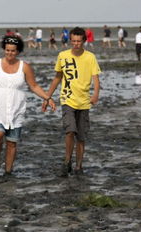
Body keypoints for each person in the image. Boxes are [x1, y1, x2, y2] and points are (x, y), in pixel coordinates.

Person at [0, 36, 56, 179]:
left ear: (18, 51)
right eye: (7, 50)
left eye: (12, 51)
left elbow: (34, 86)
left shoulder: (24, 67)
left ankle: (8, 172)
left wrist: (47, 98)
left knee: (12, 143)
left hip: (16, 109)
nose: (9, 53)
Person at [43, 27, 101, 176]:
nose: (76, 44)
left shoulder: (90, 57)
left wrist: (95, 94)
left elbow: (96, 78)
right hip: (67, 99)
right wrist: (47, 96)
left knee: (81, 137)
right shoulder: (63, 55)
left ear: (84, 41)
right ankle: (67, 162)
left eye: (79, 41)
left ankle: (78, 166)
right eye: (73, 41)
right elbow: (57, 77)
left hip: (84, 101)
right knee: (70, 131)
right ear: (70, 41)